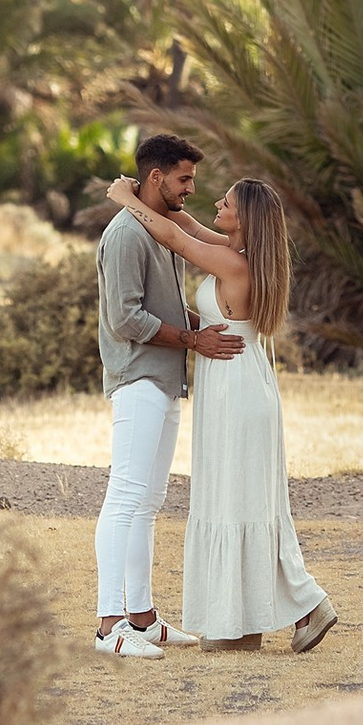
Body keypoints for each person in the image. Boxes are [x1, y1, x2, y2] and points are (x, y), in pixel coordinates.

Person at [104, 167, 339, 654]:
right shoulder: (240, 255)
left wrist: (124, 196)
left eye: (226, 203)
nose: (216, 205)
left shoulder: (235, 265)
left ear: (245, 218)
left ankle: (301, 605)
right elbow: (185, 226)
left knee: (239, 502)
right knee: (238, 501)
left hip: (236, 391)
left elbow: (170, 234)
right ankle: (247, 622)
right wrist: (156, 199)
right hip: (235, 385)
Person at [93, 133, 245, 656]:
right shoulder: (127, 235)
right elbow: (125, 318)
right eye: (184, 179)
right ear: (156, 178)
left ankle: (142, 617)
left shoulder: (160, 229)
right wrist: (192, 339)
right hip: (137, 379)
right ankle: (109, 624)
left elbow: (170, 303)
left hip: (165, 379)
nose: (191, 189)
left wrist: (208, 328)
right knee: (126, 497)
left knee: (149, 501)